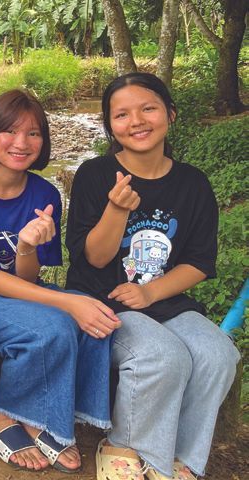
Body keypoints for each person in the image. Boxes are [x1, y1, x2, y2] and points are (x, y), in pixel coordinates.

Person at [66, 72, 240, 480]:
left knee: (219, 354)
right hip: (102, 300)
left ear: (170, 114)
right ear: (110, 126)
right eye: (122, 114)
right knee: (162, 355)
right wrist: (117, 210)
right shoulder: (95, 174)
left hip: (165, 301)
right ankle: (122, 444)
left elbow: (198, 261)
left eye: (148, 108)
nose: (137, 121)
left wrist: (151, 292)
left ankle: (180, 460)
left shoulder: (193, 184)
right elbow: (92, 258)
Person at [0, 89, 116, 473]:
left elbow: (27, 276)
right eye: (9, 131)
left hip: (17, 288)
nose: (21, 143)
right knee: (54, 325)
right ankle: (1, 415)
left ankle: (56, 415)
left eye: (33, 134)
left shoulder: (44, 192)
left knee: (96, 321)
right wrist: (68, 302)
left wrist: (26, 246)